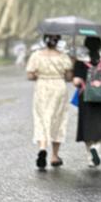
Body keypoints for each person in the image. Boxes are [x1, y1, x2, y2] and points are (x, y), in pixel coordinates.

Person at [26, 33, 73, 169]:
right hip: (59, 87)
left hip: (42, 87)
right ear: (58, 41)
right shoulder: (63, 56)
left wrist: (40, 75)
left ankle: (42, 148)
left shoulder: (36, 55)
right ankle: (54, 155)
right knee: (58, 119)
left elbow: (30, 75)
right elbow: (69, 77)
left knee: (41, 118)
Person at [72, 35, 101, 168]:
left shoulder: (80, 62)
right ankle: (97, 148)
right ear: (100, 45)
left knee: (87, 127)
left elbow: (75, 82)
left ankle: (90, 156)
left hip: (86, 99)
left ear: (86, 46)